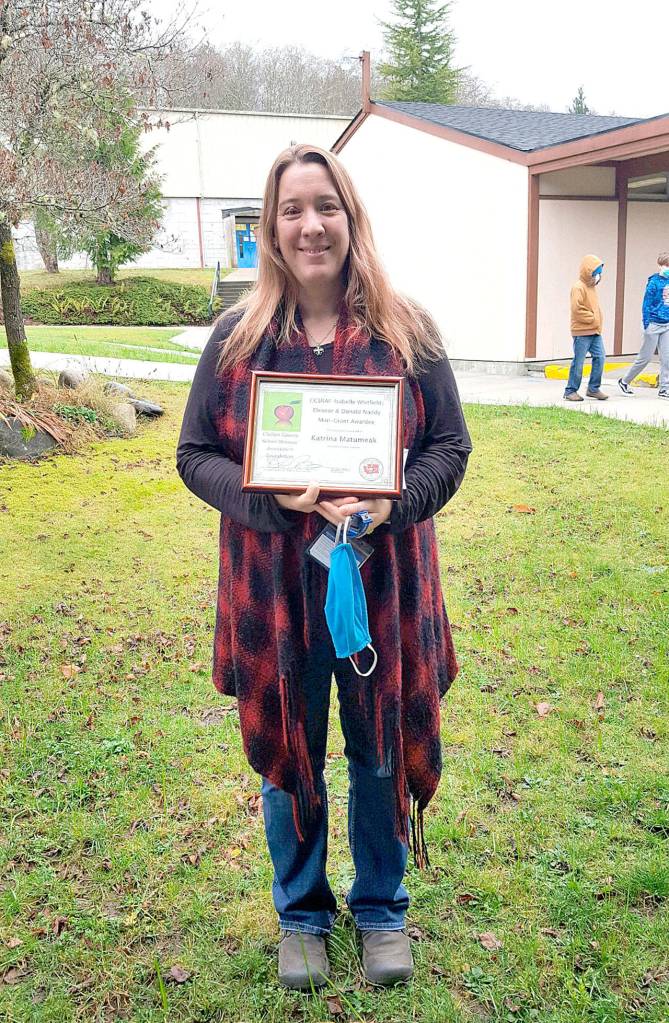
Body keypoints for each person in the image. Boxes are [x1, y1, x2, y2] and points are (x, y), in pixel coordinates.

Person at [177, 144, 471, 990]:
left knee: (378, 746)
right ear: (271, 228)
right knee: (292, 744)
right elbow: (194, 454)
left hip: (382, 584)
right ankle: (301, 913)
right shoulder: (237, 340)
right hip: (274, 588)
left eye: (326, 206)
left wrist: (393, 503)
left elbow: (449, 447)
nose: (311, 225)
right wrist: (269, 501)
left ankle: (381, 906)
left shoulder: (406, 330)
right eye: (292, 209)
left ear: (350, 217)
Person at [618, 252, 669, 400]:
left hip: (666, 324)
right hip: (652, 324)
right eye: (665, 265)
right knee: (645, 358)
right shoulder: (653, 282)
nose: (667, 268)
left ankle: (664, 389)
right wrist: (646, 324)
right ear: (659, 265)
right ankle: (624, 381)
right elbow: (646, 304)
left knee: (666, 358)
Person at [564, 254, 609, 402]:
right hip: (582, 331)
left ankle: (593, 388)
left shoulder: (591, 287)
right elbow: (577, 309)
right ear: (588, 271)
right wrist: (593, 319)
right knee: (579, 362)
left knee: (600, 357)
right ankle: (570, 390)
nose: (598, 276)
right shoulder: (578, 287)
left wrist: (596, 321)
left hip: (595, 331)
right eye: (596, 273)